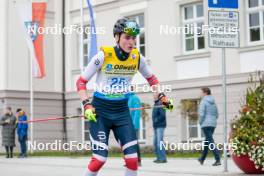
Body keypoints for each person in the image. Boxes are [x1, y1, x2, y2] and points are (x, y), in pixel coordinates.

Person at [76, 18, 173, 176]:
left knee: (133, 159)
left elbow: (152, 79)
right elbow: (81, 82)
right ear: (117, 37)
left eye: (134, 37)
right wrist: (87, 105)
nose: (132, 42)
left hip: (121, 111)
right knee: (99, 159)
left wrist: (162, 96)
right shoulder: (103, 55)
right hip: (100, 112)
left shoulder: (137, 58)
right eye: (127, 37)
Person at [198, 87, 221, 166]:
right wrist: (213, 120)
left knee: (210, 141)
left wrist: (200, 122)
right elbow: (217, 114)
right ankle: (202, 159)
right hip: (213, 124)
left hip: (205, 124)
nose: (200, 94)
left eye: (201, 92)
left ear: (205, 93)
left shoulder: (203, 102)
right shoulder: (213, 102)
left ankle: (217, 159)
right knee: (207, 141)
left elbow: (201, 114)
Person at [128, 90, 142, 166]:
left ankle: (138, 160)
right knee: (128, 144)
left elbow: (137, 112)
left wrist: (134, 124)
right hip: (126, 125)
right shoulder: (126, 98)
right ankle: (130, 161)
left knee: (134, 143)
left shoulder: (134, 98)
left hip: (133, 125)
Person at [152, 94, 167, 163]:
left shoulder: (160, 103)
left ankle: (163, 158)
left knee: (159, 142)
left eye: (154, 96)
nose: (153, 97)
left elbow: (162, 115)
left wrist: (156, 120)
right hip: (156, 126)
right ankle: (159, 158)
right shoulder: (156, 104)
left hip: (160, 126)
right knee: (155, 143)